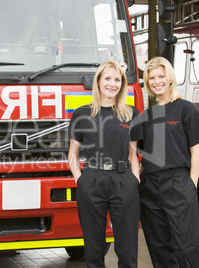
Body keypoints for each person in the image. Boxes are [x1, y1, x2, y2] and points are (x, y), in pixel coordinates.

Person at [68, 60, 142, 268]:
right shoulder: (82, 114)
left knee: (127, 249)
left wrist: (134, 180)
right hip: (91, 180)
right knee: (94, 248)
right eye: (107, 78)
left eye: (117, 79)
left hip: (124, 181)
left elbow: (133, 153)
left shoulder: (131, 114)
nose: (112, 84)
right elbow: (73, 153)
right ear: (98, 82)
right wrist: (79, 179)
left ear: (122, 84)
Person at [138, 56, 199, 268]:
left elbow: (196, 151)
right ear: (147, 82)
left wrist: (191, 185)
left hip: (178, 183)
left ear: (170, 79)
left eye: (161, 76)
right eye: (152, 78)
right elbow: (140, 154)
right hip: (150, 186)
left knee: (185, 246)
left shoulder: (185, 109)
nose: (157, 81)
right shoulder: (146, 115)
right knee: (158, 246)